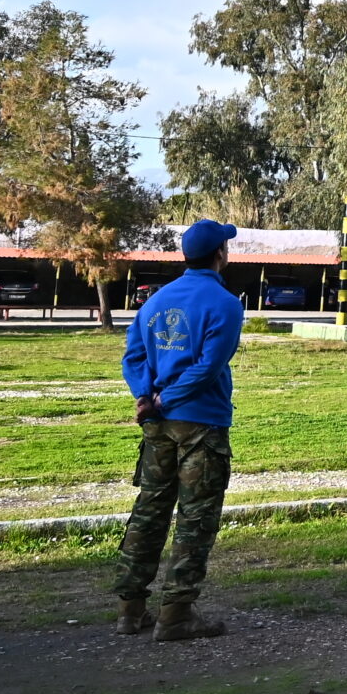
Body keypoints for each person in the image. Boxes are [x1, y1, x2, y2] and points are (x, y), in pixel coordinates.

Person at [112, 219, 245, 642]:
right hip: (201, 423)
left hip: (156, 425)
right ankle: (176, 616)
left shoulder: (155, 302)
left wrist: (145, 397)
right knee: (195, 517)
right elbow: (208, 368)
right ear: (220, 254)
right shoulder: (225, 304)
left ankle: (131, 611)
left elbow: (133, 357)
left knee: (149, 511)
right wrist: (167, 399)